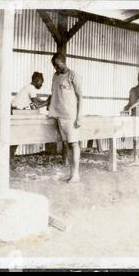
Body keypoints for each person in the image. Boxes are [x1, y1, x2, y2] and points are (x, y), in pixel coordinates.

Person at [49, 53, 83, 183]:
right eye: (54, 66)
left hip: (71, 116)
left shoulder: (73, 75)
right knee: (66, 145)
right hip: (59, 115)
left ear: (64, 62)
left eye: (57, 65)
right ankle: (71, 173)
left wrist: (79, 117)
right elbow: (53, 94)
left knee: (74, 144)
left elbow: (80, 97)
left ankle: (76, 174)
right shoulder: (55, 76)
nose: (55, 68)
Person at [122, 69, 139, 164]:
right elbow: (130, 102)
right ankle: (135, 159)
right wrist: (125, 108)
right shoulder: (132, 90)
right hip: (134, 117)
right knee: (135, 139)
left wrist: (130, 107)